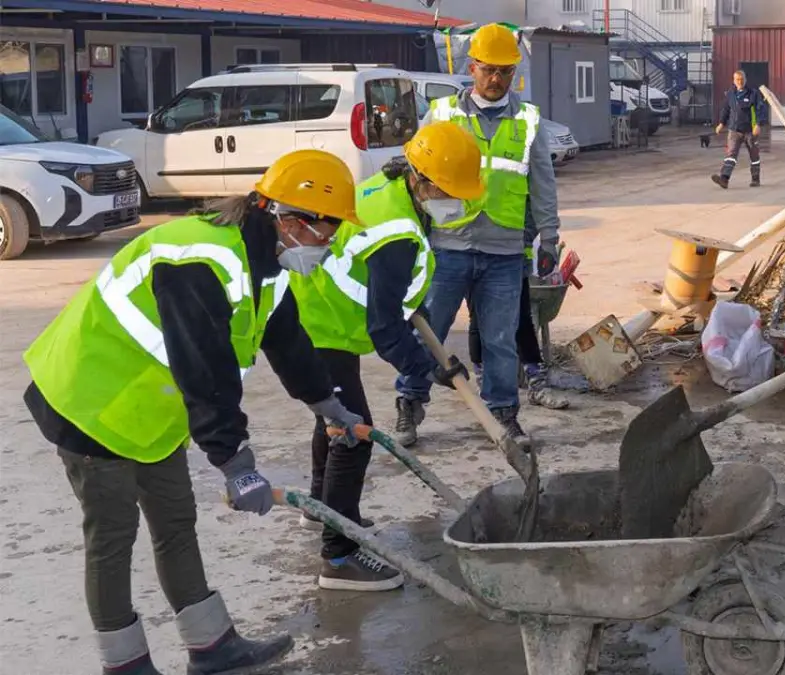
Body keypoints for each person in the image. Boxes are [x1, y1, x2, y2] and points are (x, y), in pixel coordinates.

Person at [21, 150, 366, 675]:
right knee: (113, 535)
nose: (331, 242)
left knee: (176, 519)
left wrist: (327, 405)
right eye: (328, 230)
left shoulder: (266, 263)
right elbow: (206, 372)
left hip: (148, 410)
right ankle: (125, 664)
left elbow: (287, 340)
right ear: (291, 220)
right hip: (88, 400)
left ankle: (211, 646)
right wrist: (235, 464)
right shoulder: (199, 260)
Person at [289, 122, 481, 588]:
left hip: (316, 310)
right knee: (354, 433)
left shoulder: (387, 185)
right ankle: (339, 555)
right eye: (448, 190)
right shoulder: (398, 232)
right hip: (323, 325)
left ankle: (325, 508)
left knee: (331, 419)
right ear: (420, 178)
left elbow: (387, 288)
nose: (454, 200)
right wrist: (428, 368)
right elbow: (384, 329)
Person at [394, 23, 562, 445]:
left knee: (501, 339)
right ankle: (410, 405)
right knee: (428, 332)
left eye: (505, 71)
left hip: (505, 252)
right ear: (472, 68)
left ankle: (503, 414)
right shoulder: (444, 113)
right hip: (448, 246)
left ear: (514, 72)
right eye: (488, 69)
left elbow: (543, 182)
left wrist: (550, 238)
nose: (496, 79)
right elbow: (418, 176)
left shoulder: (527, 120)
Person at [465, 203, 570, 410]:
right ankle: (483, 380)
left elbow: (538, 199)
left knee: (521, 317)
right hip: (471, 249)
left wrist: (532, 239)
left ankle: (536, 382)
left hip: (511, 253)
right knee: (478, 317)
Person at [711, 69, 768, 189]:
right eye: (737, 79)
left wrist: (758, 124)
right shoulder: (730, 94)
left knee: (754, 156)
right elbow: (725, 109)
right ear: (734, 80)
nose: (740, 82)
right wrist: (721, 123)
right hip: (734, 130)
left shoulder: (753, 93)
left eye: (742, 79)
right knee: (731, 155)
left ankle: (755, 179)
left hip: (750, 131)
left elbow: (760, 109)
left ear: (745, 80)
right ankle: (724, 179)